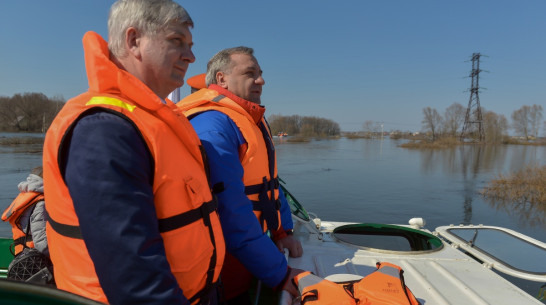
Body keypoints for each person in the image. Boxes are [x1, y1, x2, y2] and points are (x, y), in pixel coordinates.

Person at [42, 1, 225, 305]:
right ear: (133, 41)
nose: (191, 56)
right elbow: (135, 280)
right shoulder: (104, 130)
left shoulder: (156, 120)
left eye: (190, 45)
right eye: (176, 41)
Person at [177, 47, 304, 304]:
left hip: (251, 255)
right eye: (250, 73)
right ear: (221, 78)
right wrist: (281, 275)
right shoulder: (212, 125)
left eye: (260, 73)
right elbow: (230, 210)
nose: (261, 80)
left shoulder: (251, 118)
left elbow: (270, 186)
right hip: (222, 265)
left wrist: (282, 232)